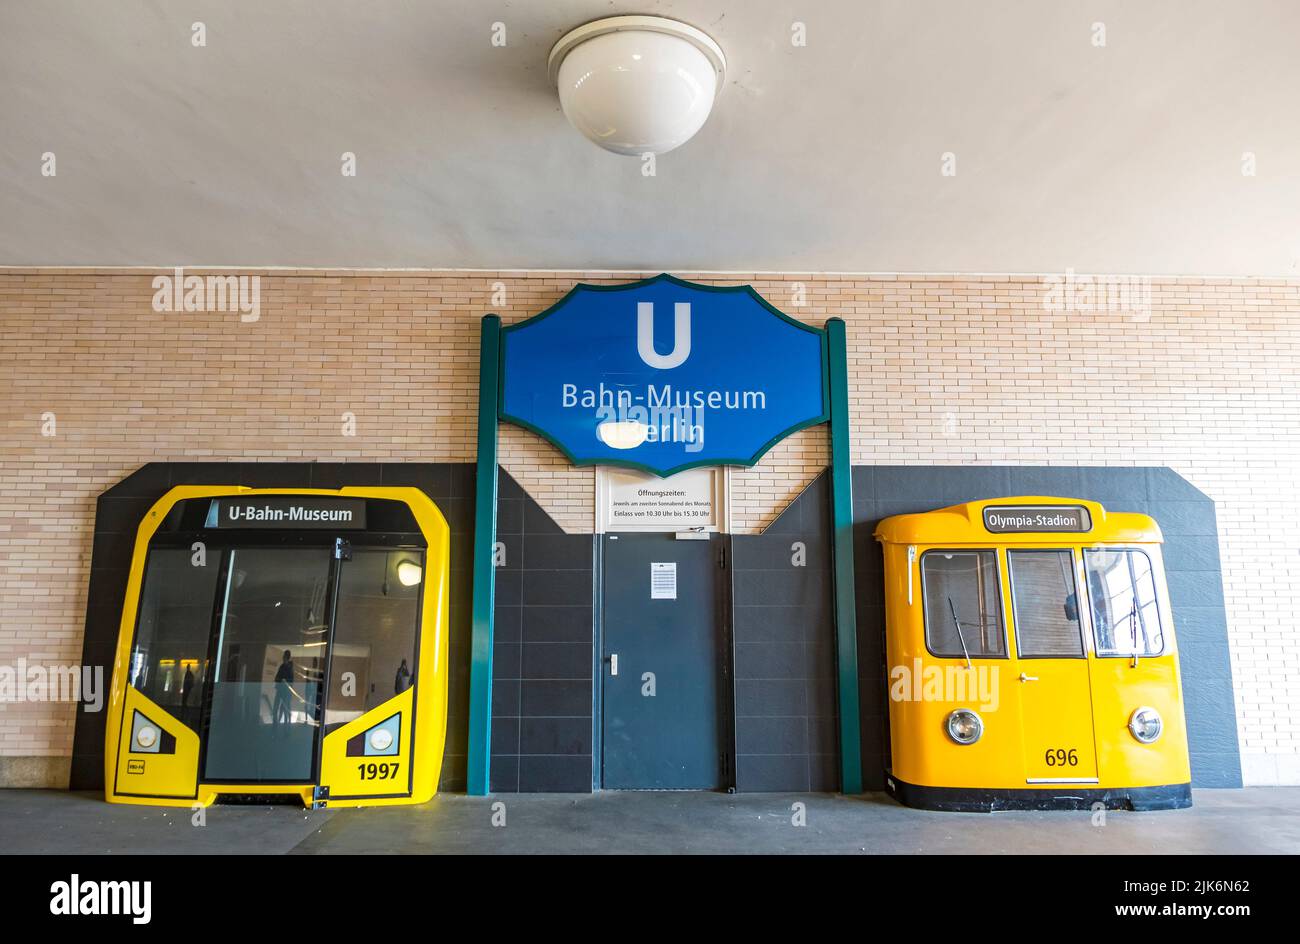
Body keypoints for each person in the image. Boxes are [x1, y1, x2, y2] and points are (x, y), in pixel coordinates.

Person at [273, 649, 294, 725]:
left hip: (285, 692)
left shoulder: (289, 668)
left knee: (285, 709)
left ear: (286, 657)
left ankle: (286, 725)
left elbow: (290, 682)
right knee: (276, 708)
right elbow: (276, 678)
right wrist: (280, 680)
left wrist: (282, 680)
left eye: (284, 656)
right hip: (280, 690)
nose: (283, 657)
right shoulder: (282, 666)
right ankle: (276, 724)